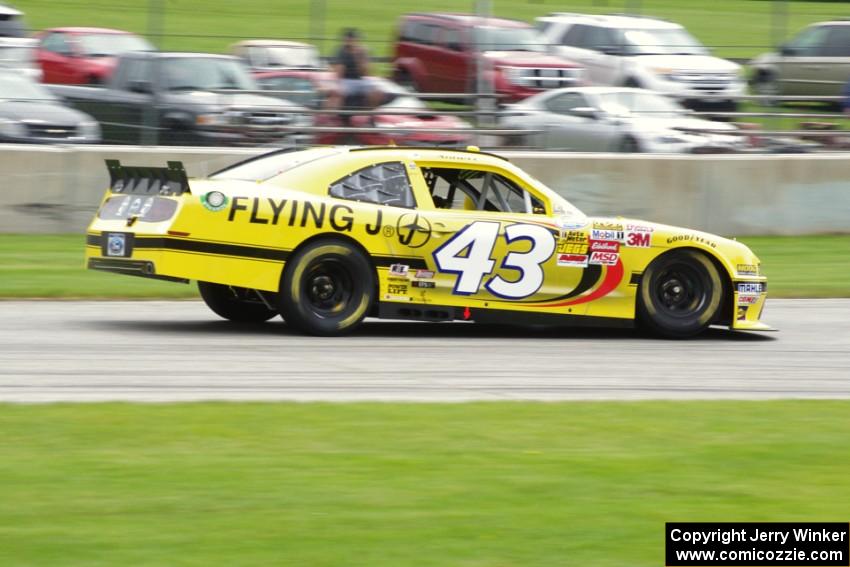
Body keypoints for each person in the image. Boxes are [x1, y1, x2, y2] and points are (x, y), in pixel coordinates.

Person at [331, 28, 380, 110]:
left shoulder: (363, 51)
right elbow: (339, 73)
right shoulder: (340, 51)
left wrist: (359, 57)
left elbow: (366, 73)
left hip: (361, 80)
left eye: (354, 40)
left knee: (376, 92)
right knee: (337, 93)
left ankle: (371, 115)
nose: (352, 42)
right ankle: (332, 117)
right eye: (349, 40)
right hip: (345, 80)